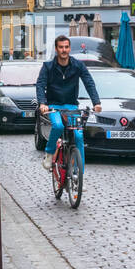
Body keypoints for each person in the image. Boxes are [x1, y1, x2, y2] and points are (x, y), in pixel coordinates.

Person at [35, 35, 103, 171]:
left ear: (70, 48)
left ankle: (79, 174)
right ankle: (49, 153)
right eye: (61, 47)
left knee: (78, 136)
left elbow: (89, 83)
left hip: (72, 106)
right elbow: (40, 85)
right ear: (56, 49)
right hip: (54, 106)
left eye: (66, 47)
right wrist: (43, 103)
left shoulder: (78, 65)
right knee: (58, 126)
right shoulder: (48, 66)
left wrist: (96, 102)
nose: (64, 50)